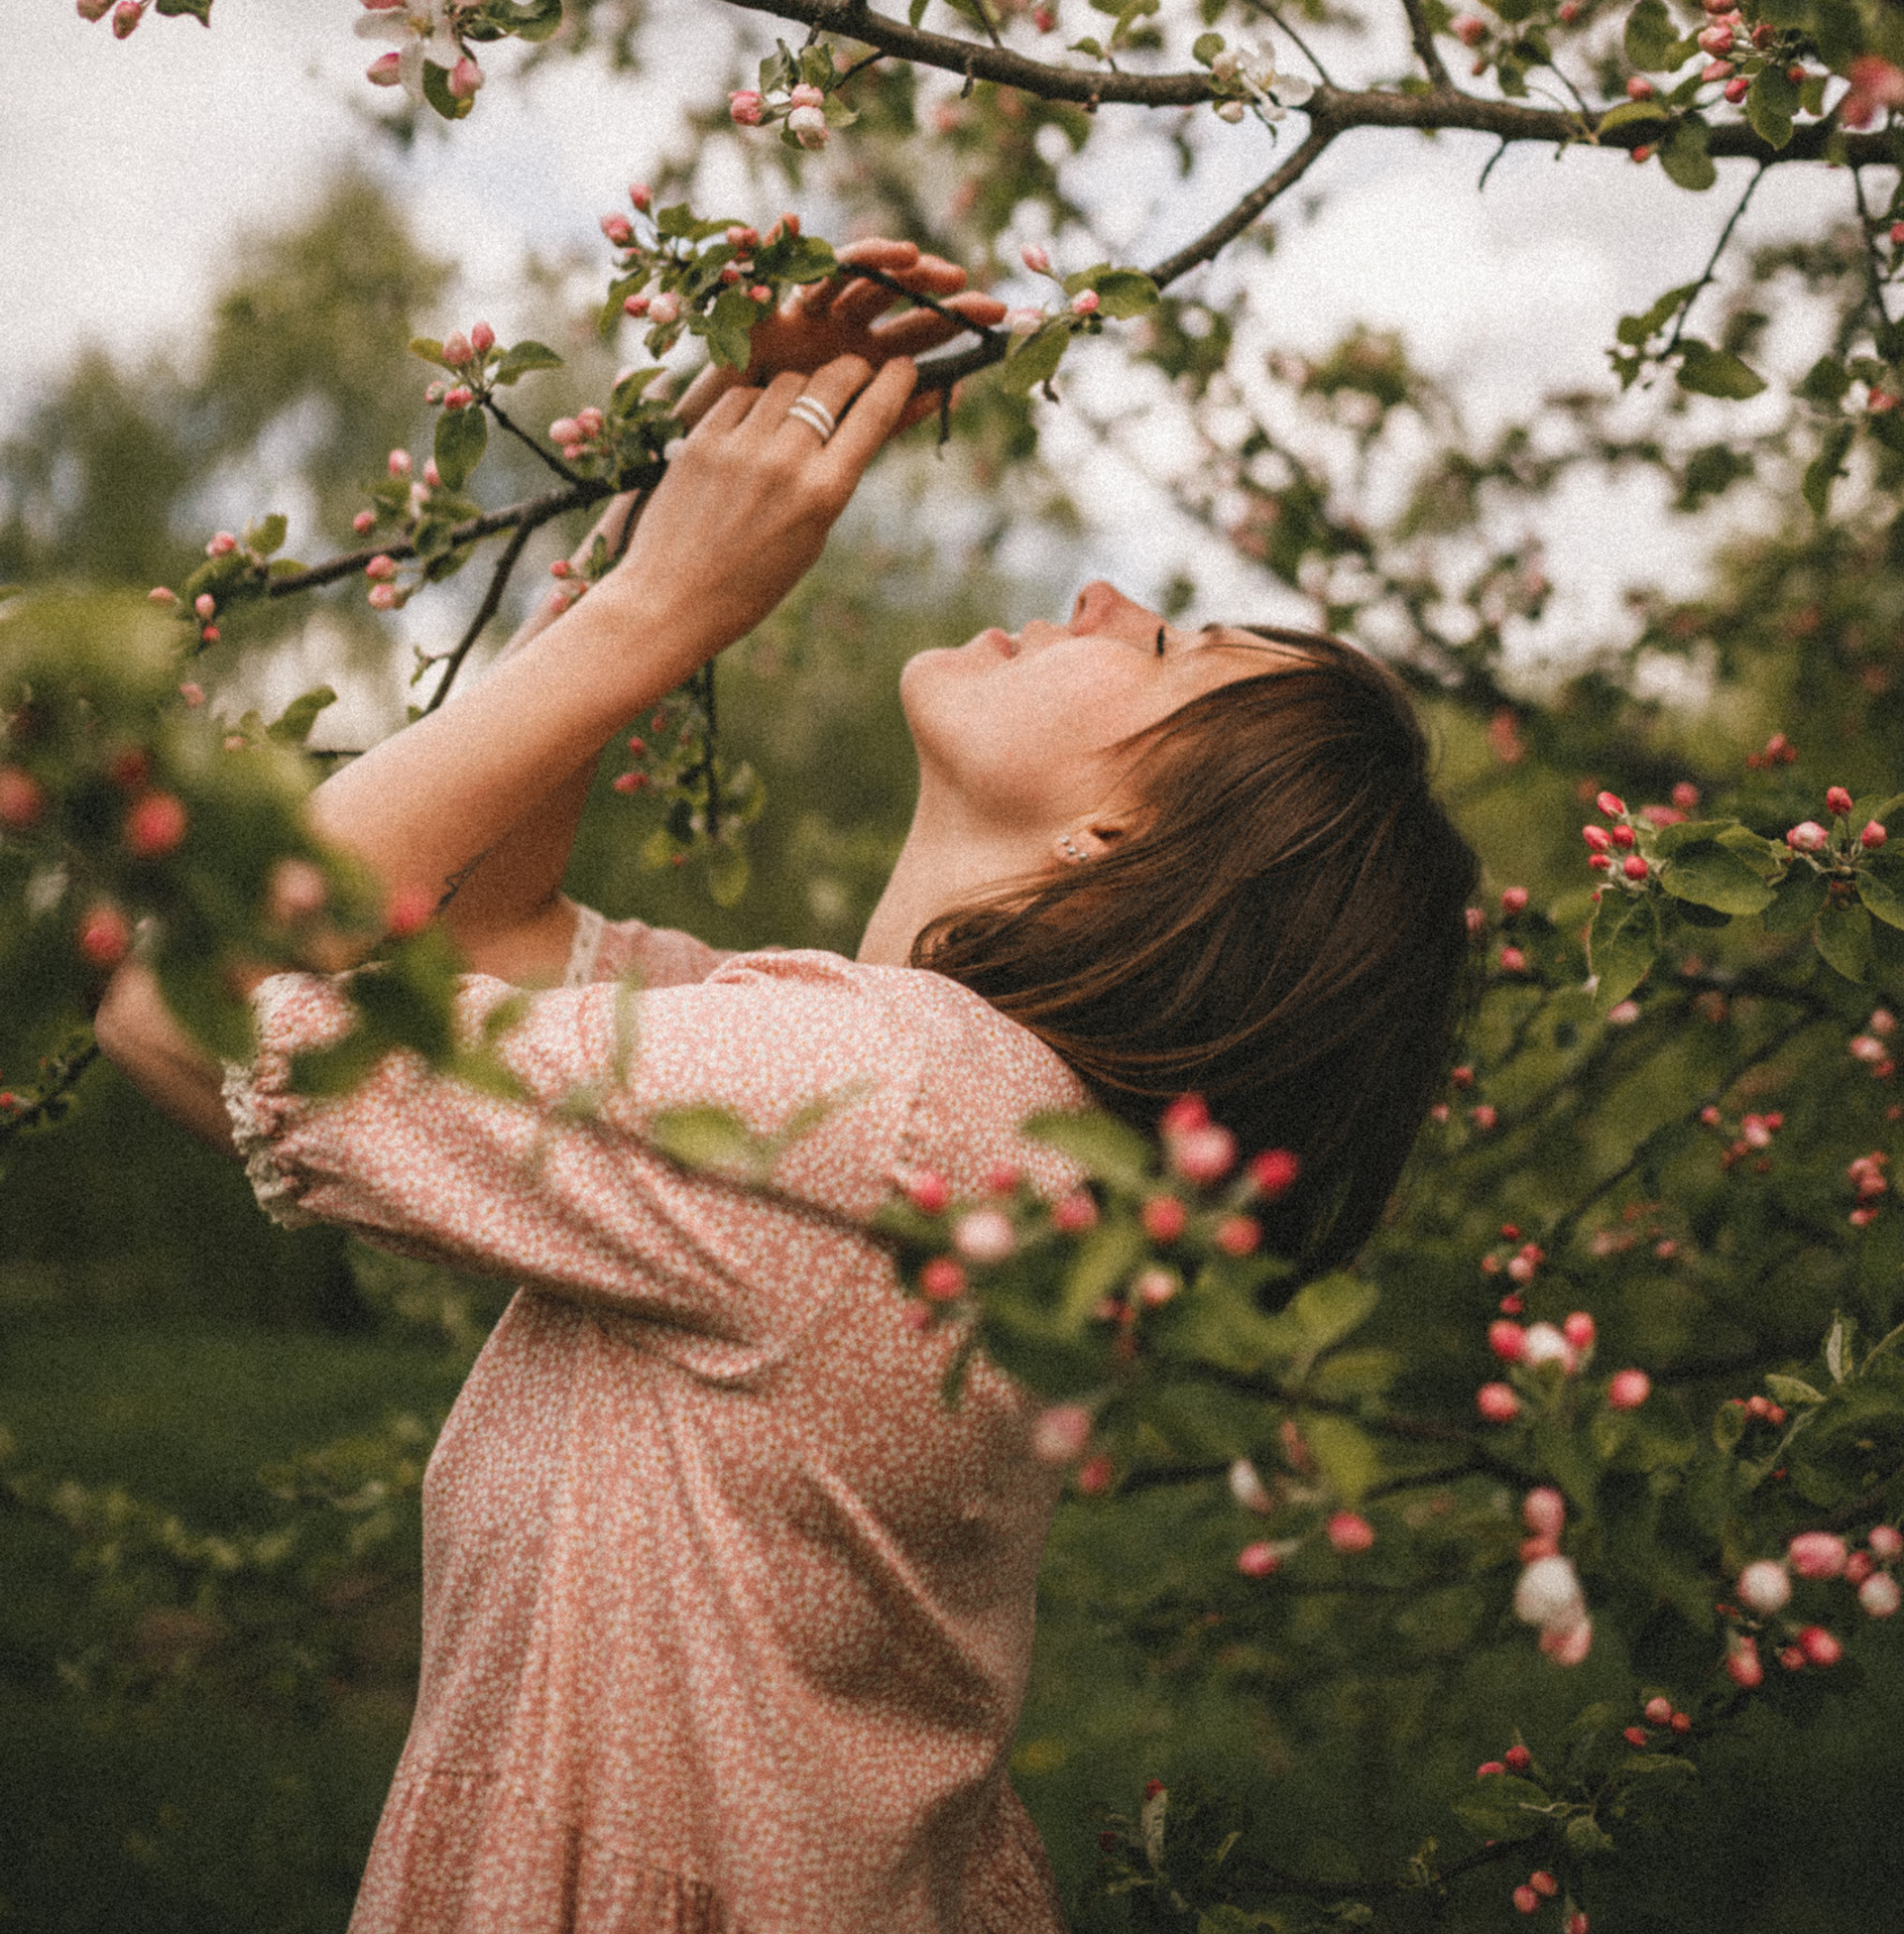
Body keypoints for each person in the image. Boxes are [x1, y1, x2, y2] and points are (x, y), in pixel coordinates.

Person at [94, 240, 1476, 1934]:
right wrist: (665, 527)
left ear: (1122, 841)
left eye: (1170, 645)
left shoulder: (880, 1105)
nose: (1111, 598)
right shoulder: (942, 1111)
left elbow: (189, 996)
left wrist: (668, 608)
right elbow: (490, 934)